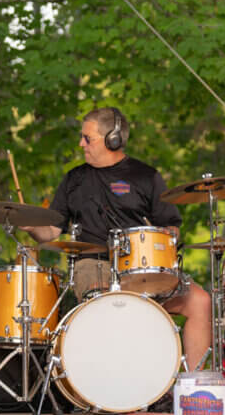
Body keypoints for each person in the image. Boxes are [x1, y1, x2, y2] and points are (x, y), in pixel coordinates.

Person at [21, 107, 213, 374]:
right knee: (109, 302)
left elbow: (171, 226)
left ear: (112, 140)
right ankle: (117, 384)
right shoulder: (74, 179)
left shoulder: (146, 176)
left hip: (140, 267)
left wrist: (164, 240)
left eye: (88, 138)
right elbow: (52, 231)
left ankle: (193, 386)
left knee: (200, 301)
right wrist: (32, 226)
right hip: (93, 264)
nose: (81, 144)